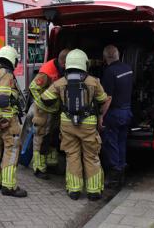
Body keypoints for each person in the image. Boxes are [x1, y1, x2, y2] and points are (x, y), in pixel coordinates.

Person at [41, 49, 112, 201]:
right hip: (88, 124)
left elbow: (45, 98)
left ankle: (74, 190)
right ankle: (93, 191)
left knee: (72, 156)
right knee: (91, 156)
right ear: (84, 64)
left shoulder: (61, 82)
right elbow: (103, 99)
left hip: (67, 124)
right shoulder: (93, 81)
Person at [0, 46, 27, 197]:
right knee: (12, 147)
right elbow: (3, 99)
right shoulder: (6, 74)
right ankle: (9, 186)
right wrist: (7, 117)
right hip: (5, 117)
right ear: (12, 59)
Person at [29, 49, 69, 179]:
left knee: (52, 138)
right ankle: (38, 168)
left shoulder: (61, 68)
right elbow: (33, 87)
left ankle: (51, 164)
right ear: (64, 63)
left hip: (54, 111)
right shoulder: (47, 72)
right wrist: (42, 104)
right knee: (40, 138)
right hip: (44, 112)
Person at [101, 45, 133, 189]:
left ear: (105, 57)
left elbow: (108, 98)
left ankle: (114, 176)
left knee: (111, 143)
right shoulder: (128, 68)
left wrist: (101, 116)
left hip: (114, 114)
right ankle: (122, 171)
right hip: (127, 112)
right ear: (118, 54)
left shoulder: (109, 72)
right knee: (121, 142)